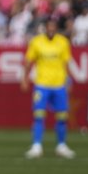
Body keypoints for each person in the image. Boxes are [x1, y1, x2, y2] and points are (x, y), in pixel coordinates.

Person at [21, 18, 75, 159]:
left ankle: (61, 145)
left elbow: (66, 63)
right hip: (42, 84)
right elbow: (29, 61)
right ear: (45, 28)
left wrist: (68, 81)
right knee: (39, 115)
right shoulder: (36, 42)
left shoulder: (63, 42)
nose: (51, 29)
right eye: (49, 27)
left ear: (56, 28)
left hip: (59, 84)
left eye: (53, 27)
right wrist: (25, 78)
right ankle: (37, 146)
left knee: (62, 116)